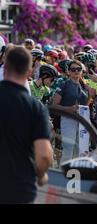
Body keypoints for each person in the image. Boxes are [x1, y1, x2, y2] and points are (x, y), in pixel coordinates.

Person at [0, 46, 53, 204]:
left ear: (5, 67)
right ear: (29, 73)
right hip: (19, 191)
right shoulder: (36, 108)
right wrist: (41, 174)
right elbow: (43, 155)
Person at [51, 60, 93, 163]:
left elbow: (85, 106)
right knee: (68, 151)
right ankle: (64, 176)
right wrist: (68, 109)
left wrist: (91, 96)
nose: (76, 71)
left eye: (78, 69)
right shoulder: (63, 84)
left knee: (81, 150)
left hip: (82, 121)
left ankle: (77, 176)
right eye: (73, 69)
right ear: (68, 71)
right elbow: (54, 105)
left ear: (82, 71)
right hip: (68, 119)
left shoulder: (84, 86)